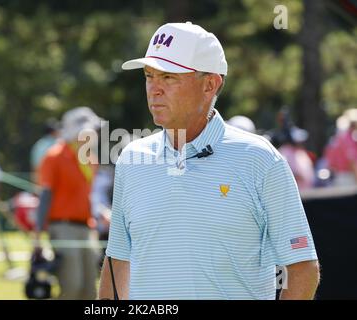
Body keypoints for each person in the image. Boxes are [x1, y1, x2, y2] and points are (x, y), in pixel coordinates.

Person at [99, 22, 320, 300]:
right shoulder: (131, 160)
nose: (154, 89)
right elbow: (118, 259)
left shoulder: (260, 159)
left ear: (210, 84)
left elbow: (302, 267)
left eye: (168, 77)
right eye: (149, 75)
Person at [34, 106, 103, 300]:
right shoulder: (53, 156)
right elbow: (45, 196)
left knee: (90, 290)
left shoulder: (90, 158)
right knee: (71, 286)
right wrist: (38, 234)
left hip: (87, 228)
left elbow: (89, 195)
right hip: (62, 227)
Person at [324, 108, 357, 187]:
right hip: (348, 177)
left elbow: (329, 163)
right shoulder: (347, 139)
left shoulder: (336, 139)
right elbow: (352, 162)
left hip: (338, 177)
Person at [278, 126, 315, 191]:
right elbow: (282, 173)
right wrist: (296, 176)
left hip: (307, 191)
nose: (301, 143)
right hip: (293, 193)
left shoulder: (301, 152)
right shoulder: (284, 152)